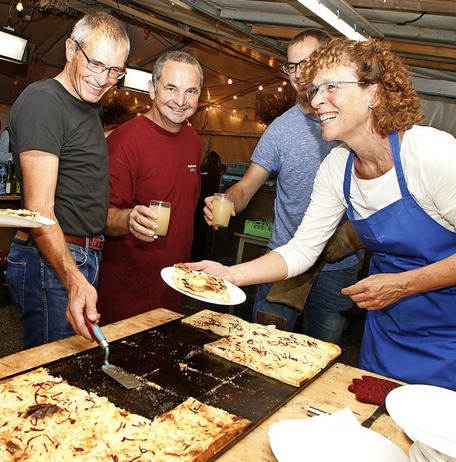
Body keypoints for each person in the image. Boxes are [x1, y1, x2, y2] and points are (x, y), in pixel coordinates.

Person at [190, 38, 456, 390]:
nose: (316, 100)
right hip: (388, 327)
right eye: (315, 90)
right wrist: (228, 275)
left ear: (374, 93)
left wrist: (403, 285)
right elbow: (301, 250)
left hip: (447, 330)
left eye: (331, 87)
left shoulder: (430, 153)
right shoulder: (337, 167)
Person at [203, 29, 362, 344]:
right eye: (292, 66)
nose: (300, 74)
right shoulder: (281, 129)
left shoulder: (350, 125)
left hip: (336, 267)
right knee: (262, 344)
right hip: (284, 261)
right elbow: (247, 186)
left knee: (322, 352)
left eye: (308, 63)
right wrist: (228, 199)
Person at [7, 12, 130, 348]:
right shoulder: (45, 102)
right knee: (54, 372)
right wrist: (73, 277)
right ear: (69, 49)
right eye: (96, 64)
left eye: (115, 71)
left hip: (80, 255)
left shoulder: (89, 105)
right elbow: (39, 208)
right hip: (54, 259)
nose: (104, 78)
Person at [96, 51, 203, 324]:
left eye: (190, 91)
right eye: (171, 88)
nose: (180, 101)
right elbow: (100, 216)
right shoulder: (125, 141)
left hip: (174, 291)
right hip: (126, 297)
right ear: (152, 89)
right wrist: (129, 219)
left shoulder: (192, 139)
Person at [191, 150, 221, 261]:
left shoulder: (200, 169)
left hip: (195, 205)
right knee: (202, 235)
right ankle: (198, 258)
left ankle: (191, 256)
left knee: (193, 232)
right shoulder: (216, 173)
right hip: (208, 207)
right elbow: (217, 191)